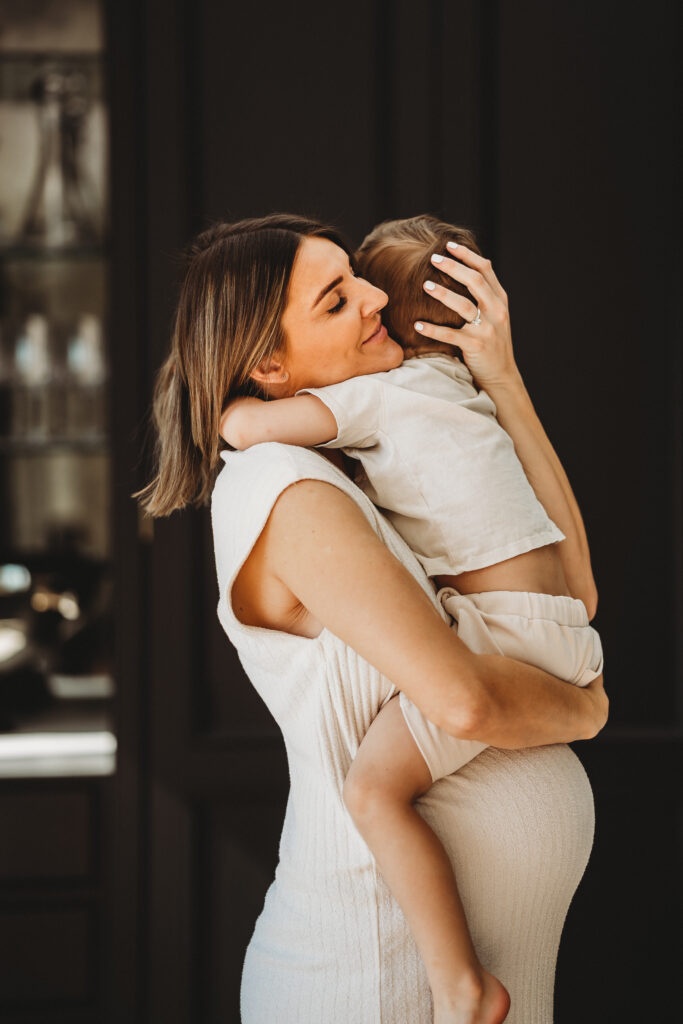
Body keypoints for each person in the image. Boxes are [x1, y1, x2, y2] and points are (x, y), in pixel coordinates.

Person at [133, 213, 608, 1024]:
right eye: (333, 299)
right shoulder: (286, 483)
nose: (373, 297)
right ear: (269, 366)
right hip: (371, 983)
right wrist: (584, 707)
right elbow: (466, 702)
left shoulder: (398, 423)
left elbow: (575, 585)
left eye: (355, 276)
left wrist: (502, 378)